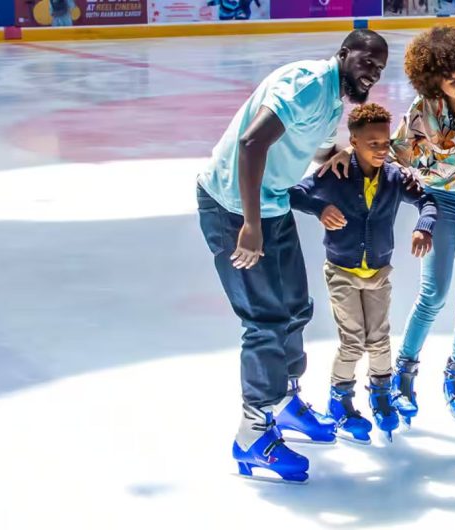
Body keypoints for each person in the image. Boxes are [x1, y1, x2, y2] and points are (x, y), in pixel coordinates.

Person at [196, 29, 388, 483]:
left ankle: (283, 402)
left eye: (379, 69)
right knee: (264, 320)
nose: (373, 73)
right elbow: (251, 143)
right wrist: (250, 224)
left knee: (296, 308)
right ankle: (252, 435)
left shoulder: (333, 104)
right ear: (344, 54)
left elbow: (305, 153)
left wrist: (332, 163)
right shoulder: (305, 85)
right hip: (232, 207)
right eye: (366, 61)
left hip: (272, 203)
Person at [323, 25, 455, 429]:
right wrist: (348, 152)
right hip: (442, 201)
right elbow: (392, 152)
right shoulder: (422, 110)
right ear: (433, 80)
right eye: (451, 79)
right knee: (433, 292)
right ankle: (404, 373)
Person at [289, 103, 437, 445]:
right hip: (342, 271)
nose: (381, 149)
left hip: (379, 272)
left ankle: (381, 392)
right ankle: (340, 399)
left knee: (380, 337)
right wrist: (320, 207)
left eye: (385, 143)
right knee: (353, 340)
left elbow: (427, 201)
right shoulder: (335, 174)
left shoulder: (395, 177)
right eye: (372, 143)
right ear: (353, 142)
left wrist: (424, 226)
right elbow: (295, 194)